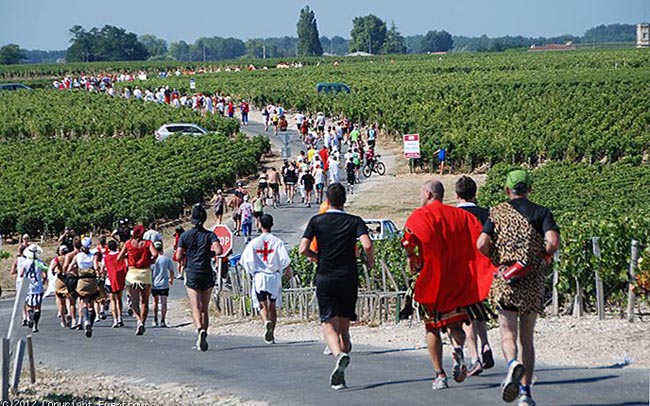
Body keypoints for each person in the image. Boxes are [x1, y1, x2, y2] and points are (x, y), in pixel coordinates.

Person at [477, 170, 560, 406]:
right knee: (527, 338)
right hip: (532, 279)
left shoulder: (497, 213)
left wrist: (496, 259)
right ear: (529, 189)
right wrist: (542, 256)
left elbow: (481, 243)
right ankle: (525, 393)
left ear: (507, 190)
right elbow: (553, 242)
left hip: (507, 279)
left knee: (507, 333)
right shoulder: (542, 213)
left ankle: (512, 364)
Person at [402, 180, 494, 391]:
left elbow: (408, 240)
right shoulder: (461, 216)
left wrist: (411, 257)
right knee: (456, 324)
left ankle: (440, 374)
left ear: (428, 193)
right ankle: (458, 348)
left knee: (432, 327)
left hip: (432, 280)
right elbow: (478, 242)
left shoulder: (420, 215)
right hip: (457, 280)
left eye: (421, 193)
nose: (420, 197)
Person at [299, 183, 375, 390]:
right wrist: (370, 261)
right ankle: (343, 364)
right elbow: (367, 244)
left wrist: (318, 258)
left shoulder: (316, 221)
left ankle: (338, 355)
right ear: (344, 200)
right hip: (348, 277)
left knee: (328, 324)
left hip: (326, 277)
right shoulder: (355, 221)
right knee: (344, 328)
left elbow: (303, 249)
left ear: (327, 200)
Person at [455, 176, 495, 376]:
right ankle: (485, 344)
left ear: (457, 195)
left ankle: (474, 357)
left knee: (466, 315)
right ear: (475, 193)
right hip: (483, 269)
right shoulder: (487, 214)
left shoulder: (453, 215)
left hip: (461, 270)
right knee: (478, 310)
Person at [177, 203, 223, 351]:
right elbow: (219, 250)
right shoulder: (210, 235)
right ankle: (205, 331)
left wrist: (187, 255)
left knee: (195, 306)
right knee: (205, 308)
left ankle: (199, 329)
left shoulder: (185, 236)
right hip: (206, 272)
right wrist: (209, 253)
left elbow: (178, 256)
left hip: (192, 272)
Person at [240, 214, 291, 344]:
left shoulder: (254, 242)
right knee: (272, 305)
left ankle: (266, 322)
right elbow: (285, 259)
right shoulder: (277, 242)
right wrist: (287, 271)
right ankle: (272, 333)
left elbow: (245, 260)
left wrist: (252, 271)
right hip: (273, 277)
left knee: (262, 304)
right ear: (272, 224)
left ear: (259, 224)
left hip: (260, 277)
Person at [118, 224, 158, 336]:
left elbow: (119, 257)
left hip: (132, 273)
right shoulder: (148, 243)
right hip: (145, 273)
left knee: (134, 301)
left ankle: (138, 320)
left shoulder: (128, 243)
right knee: (144, 301)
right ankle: (143, 323)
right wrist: (150, 260)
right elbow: (155, 254)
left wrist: (127, 257)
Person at [68, 237, 101, 338]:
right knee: (91, 304)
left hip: (82, 281)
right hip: (92, 281)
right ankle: (90, 324)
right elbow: (96, 267)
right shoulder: (93, 256)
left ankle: (85, 321)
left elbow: (70, 268)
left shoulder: (78, 256)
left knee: (83, 302)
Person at [20, 244, 48, 333]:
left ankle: (30, 316)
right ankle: (35, 325)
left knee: (28, 305)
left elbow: (21, 274)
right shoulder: (40, 263)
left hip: (28, 286)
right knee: (38, 306)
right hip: (38, 286)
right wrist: (43, 281)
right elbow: (45, 275)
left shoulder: (25, 263)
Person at [104, 239, 127, 328]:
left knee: (112, 300)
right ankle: (120, 318)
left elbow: (103, 268)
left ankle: (115, 319)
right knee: (119, 299)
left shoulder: (106, 257)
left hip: (109, 280)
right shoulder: (120, 255)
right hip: (119, 280)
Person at [151, 241, 174, 328]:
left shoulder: (152, 260)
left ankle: (155, 319)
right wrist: (171, 279)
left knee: (155, 302)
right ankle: (163, 320)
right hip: (164, 284)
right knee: (163, 302)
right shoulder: (166, 259)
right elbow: (171, 270)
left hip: (154, 284)